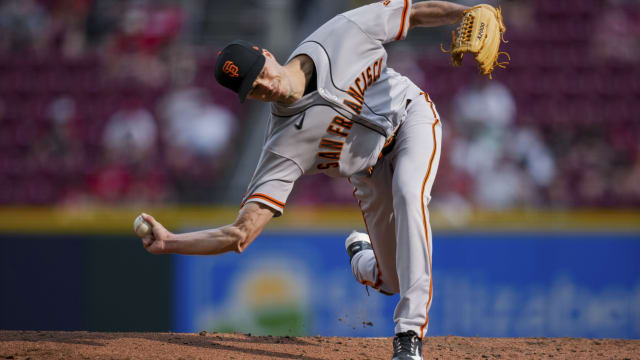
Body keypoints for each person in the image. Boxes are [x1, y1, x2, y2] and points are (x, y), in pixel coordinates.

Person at [137, 1, 469, 359]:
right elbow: (240, 234)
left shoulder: (341, 32)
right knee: (394, 279)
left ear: (266, 54)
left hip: (411, 118)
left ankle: (408, 335)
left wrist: (467, 12)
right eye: (254, 88)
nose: (266, 84)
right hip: (368, 173)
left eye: (260, 71)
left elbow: (415, 11)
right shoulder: (282, 145)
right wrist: (171, 242)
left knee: (409, 193)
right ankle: (363, 257)